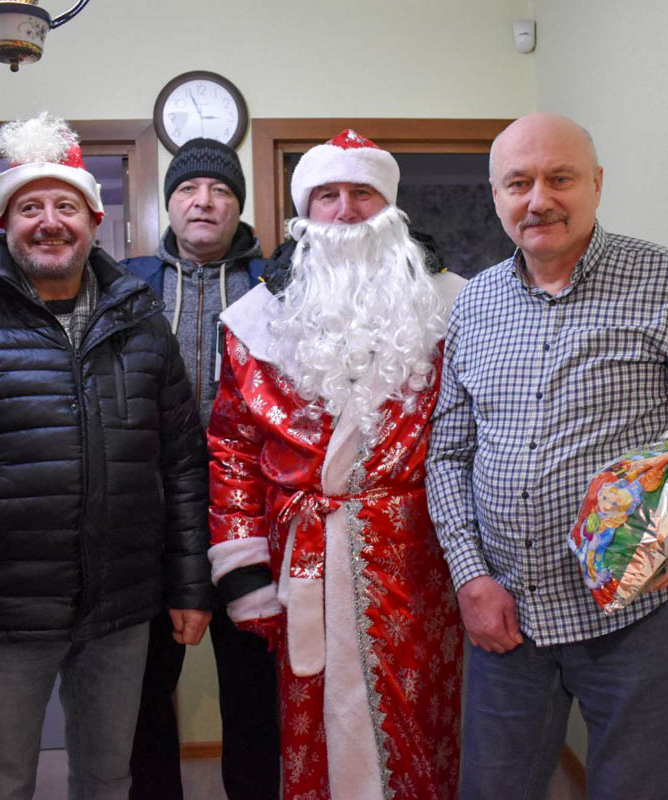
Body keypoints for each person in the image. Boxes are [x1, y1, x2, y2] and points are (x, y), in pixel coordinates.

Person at [0, 112, 212, 800]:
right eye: (30, 208)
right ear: (3, 223)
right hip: (1, 616)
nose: (49, 222)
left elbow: (180, 466)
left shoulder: (143, 325)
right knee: (1, 782)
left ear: (93, 220)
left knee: (109, 778)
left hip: (121, 614)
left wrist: (188, 586)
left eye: (66, 206)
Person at [425, 112, 668, 800]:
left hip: (636, 616)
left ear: (597, 184)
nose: (539, 200)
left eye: (560, 178)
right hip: (507, 613)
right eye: (518, 183)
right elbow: (448, 454)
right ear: (496, 194)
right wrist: (469, 577)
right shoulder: (472, 304)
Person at [206, 129, 466, 799]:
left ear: (391, 207)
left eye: (362, 193)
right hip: (307, 559)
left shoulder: (452, 307)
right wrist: (244, 572)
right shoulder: (255, 322)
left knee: (423, 717)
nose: (346, 211)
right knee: (313, 713)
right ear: (305, 212)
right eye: (327, 195)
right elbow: (232, 448)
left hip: (420, 561)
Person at [121, 138, 279, 800]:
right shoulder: (127, 285)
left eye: (220, 190)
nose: (204, 201)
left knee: (256, 692)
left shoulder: (279, 281)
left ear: (238, 205)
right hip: (152, 520)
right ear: (169, 204)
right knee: (142, 690)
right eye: (188, 189)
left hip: (252, 518)